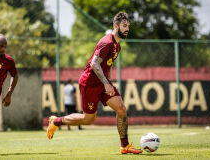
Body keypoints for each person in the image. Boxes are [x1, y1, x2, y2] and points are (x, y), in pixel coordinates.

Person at [47, 12, 142, 154]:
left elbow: (106, 66)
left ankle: (125, 146)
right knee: (88, 119)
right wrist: (106, 83)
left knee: (121, 109)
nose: (127, 28)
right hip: (89, 83)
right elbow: (94, 64)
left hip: (103, 83)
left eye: (128, 26)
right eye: (124, 26)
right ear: (116, 26)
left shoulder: (117, 46)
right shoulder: (107, 42)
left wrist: (107, 82)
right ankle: (56, 122)